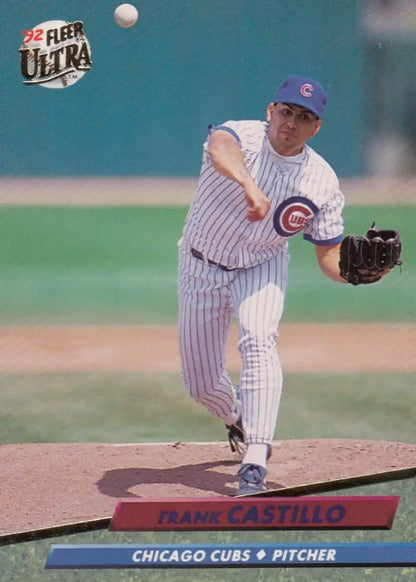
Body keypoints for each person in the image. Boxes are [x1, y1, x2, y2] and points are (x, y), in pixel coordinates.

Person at [177, 74, 382, 496]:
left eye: (304, 117)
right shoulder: (242, 136)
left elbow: (328, 257)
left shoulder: (321, 181)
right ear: (270, 112)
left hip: (262, 264)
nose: (291, 121)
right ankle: (236, 414)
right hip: (200, 264)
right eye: (286, 111)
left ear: (316, 127)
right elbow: (220, 147)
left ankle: (255, 460)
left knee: (259, 339)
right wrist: (250, 186)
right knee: (201, 384)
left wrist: (358, 274)